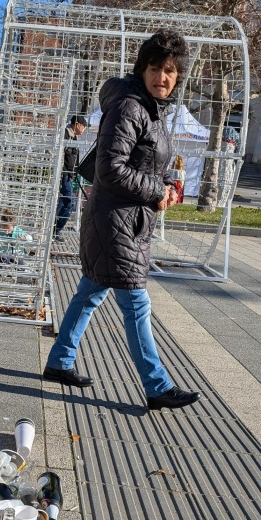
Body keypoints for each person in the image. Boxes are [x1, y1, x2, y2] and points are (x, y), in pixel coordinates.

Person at [42, 29, 201, 412]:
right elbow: (109, 167)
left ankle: (59, 362)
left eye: (169, 71)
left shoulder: (152, 108)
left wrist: (165, 187)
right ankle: (156, 384)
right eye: (154, 68)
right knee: (136, 304)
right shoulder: (131, 106)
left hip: (123, 220)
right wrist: (154, 191)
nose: (162, 77)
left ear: (177, 75)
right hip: (117, 223)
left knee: (89, 293)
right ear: (142, 69)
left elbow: (141, 162)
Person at [54, 115, 88, 241]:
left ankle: (53, 230)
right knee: (70, 203)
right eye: (84, 126)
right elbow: (66, 157)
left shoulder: (73, 136)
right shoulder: (66, 135)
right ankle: (55, 230)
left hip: (69, 175)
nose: (84, 129)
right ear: (78, 125)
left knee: (63, 203)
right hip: (64, 174)